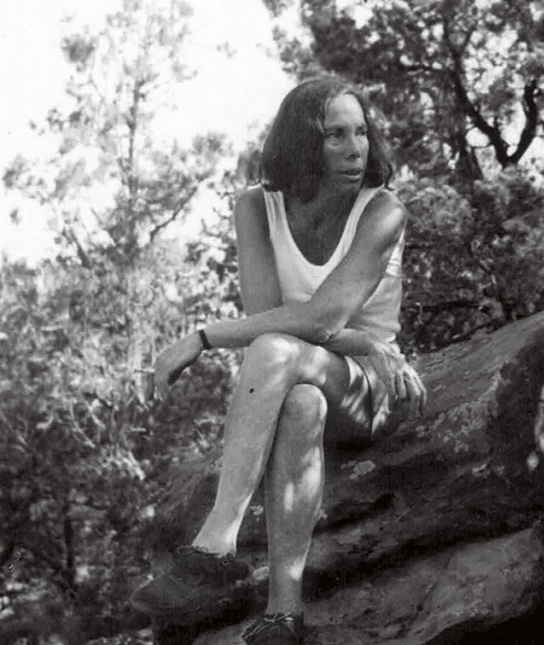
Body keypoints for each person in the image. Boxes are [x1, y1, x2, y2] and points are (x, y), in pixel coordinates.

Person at [130, 75, 427, 645]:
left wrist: (206, 335)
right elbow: (276, 317)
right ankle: (283, 614)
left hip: (370, 389)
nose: (354, 148)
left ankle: (218, 540)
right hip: (317, 371)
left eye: (361, 132)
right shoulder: (255, 208)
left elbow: (318, 319)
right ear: (301, 143)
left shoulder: (383, 210)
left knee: (277, 351)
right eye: (335, 135)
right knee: (298, 400)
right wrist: (351, 337)